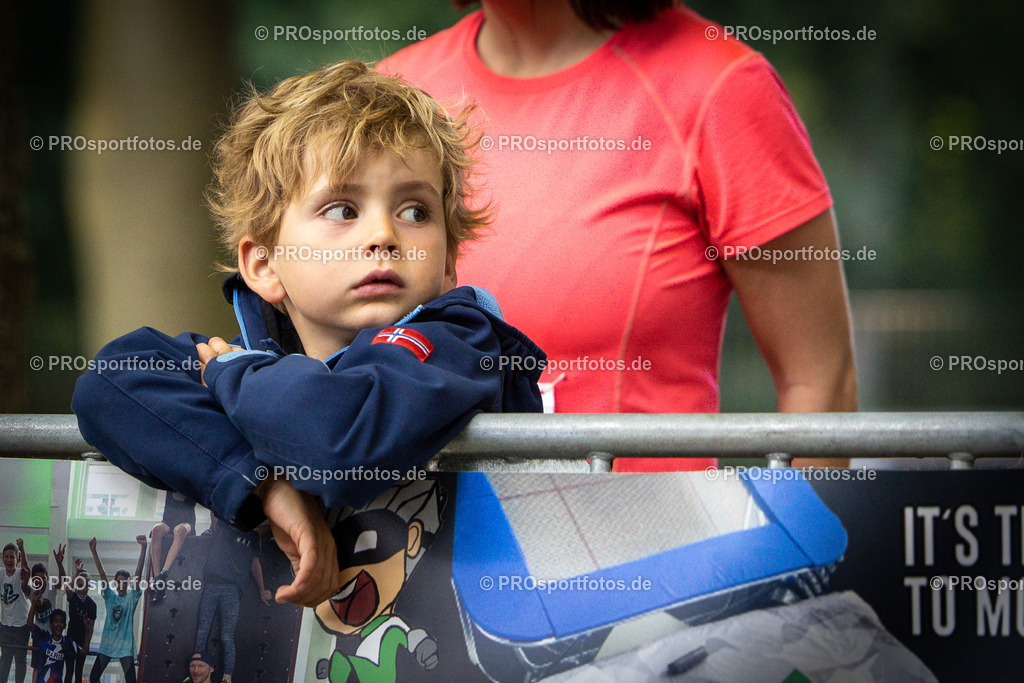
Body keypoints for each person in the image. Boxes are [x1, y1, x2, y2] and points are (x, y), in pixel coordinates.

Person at [71, 60, 545, 607]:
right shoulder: (256, 354)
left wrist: (232, 375)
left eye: (416, 210)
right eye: (342, 209)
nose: (383, 235)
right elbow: (109, 383)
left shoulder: (459, 343)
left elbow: (337, 439)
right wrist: (266, 487)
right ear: (266, 266)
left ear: (448, 265)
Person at [379, 0, 857, 469]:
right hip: (428, 542)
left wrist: (802, 542)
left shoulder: (719, 83)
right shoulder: (390, 92)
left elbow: (819, 380)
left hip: (651, 538)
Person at [192, 518, 271, 683]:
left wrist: (262, 590)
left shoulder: (253, 536)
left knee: (227, 635)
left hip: (232, 589)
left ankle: (227, 677)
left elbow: (255, 564)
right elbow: (215, 512)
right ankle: (197, 673)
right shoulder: (223, 525)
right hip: (212, 584)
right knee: (203, 631)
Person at [87, 536, 146, 683]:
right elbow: (102, 573)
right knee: (93, 677)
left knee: (131, 680)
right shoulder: (110, 597)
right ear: (115, 583)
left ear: (128, 583)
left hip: (125, 647)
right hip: (107, 645)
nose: (121, 585)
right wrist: (94, 551)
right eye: (118, 582)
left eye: (124, 582)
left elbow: (138, 573)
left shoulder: (131, 597)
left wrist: (144, 548)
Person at [149, 492, 197, 603]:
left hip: (187, 522)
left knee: (179, 531)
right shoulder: (170, 482)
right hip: (168, 521)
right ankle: (157, 578)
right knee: (156, 530)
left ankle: (164, 572)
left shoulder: (191, 485)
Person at [26, 589, 79, 683]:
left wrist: (88, 629)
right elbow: (30, 623)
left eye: (61, 622)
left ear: (65, 626)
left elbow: (84, 651)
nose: (58, 624)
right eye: (56, 621)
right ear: (51, 624)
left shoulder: (67, 642)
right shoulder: (44, 637)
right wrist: (34, 602)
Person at [56, 558, 95, 683]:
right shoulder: (73, 598)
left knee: (79, 672)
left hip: (82, 641)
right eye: (79, 585)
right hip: (71, 639)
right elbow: (66, 587)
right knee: (69, 671)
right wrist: (76, 573)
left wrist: (86, 645)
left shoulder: (91, 605)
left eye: (84, 586)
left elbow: (91, 628)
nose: (82, 589)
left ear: (88, 586)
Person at [0, 540, 31, 683]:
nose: (9, 559)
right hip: (5, 624)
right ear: (2, 559)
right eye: (6, 556)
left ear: (17, 560)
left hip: (21, 624)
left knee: (20, 659)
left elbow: (26, 569)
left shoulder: (20, 573)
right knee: (5, 658)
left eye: (12, 557)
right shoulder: (1, 574)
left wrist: (22, 549)